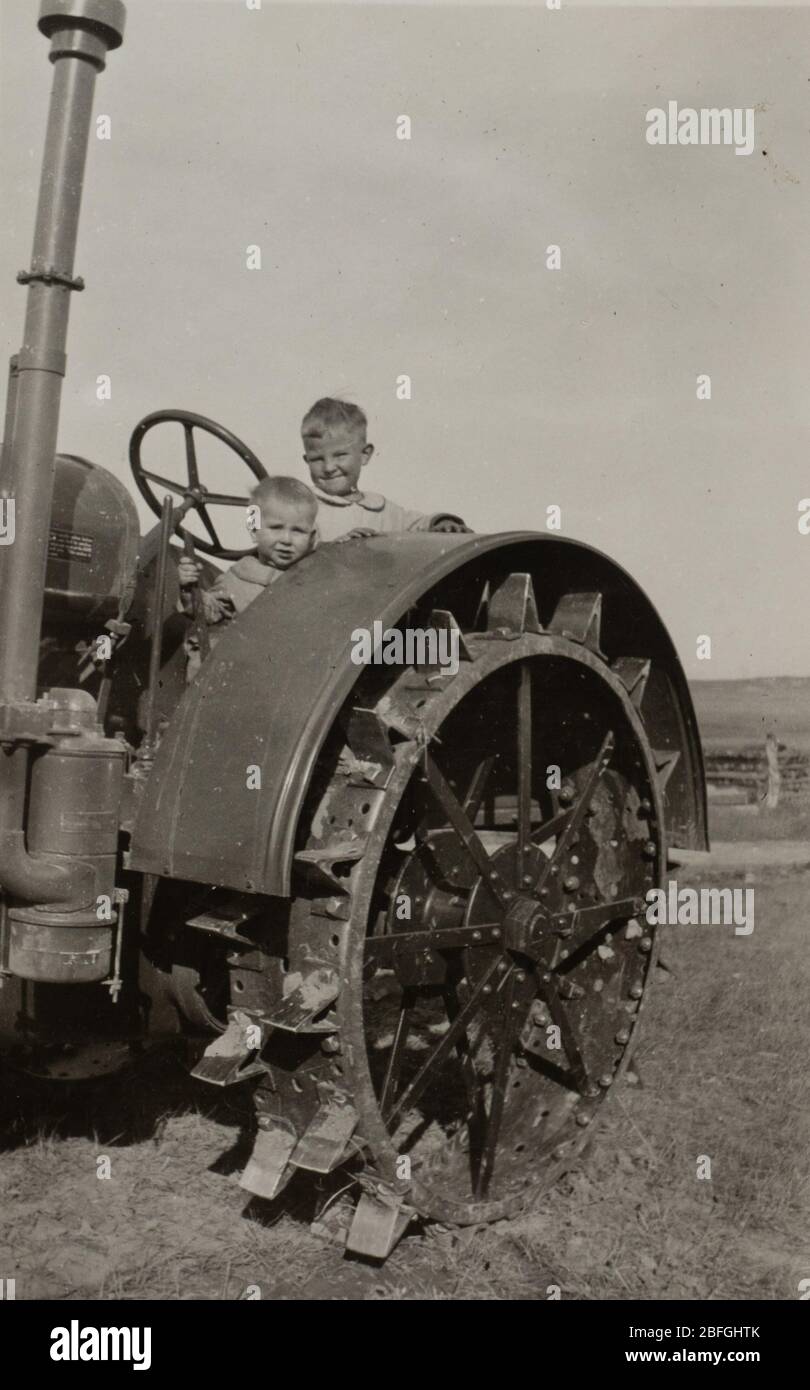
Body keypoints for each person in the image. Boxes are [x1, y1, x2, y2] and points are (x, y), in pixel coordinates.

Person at [177, 475, 318, 676]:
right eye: (276, 528)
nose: (286, 539)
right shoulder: (239, 577)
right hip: (249, 666)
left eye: (298, 531)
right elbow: (209, 612)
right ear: (254, 530)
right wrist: (188, 589)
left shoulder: (316, 570)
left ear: (312, 537)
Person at [300, 397, 469, 542]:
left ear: (365, 455)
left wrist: (442, 523)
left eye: (340, 455)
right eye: (317, 459)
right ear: (307, 460)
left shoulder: (381, 509)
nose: (329, 467)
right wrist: (332, 548)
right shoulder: (302, 507)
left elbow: (416, 524)